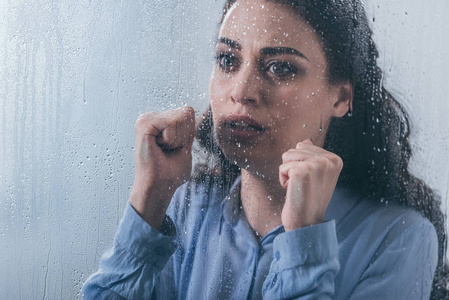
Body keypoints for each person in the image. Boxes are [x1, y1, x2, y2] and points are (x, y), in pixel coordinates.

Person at [82, 0, 449, 299]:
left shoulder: (399, 238)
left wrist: (304, 241)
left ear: (340, 96)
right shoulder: (184, 208)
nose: (241, 91)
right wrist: (147, 207)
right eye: (228, 60)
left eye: (280, 67)